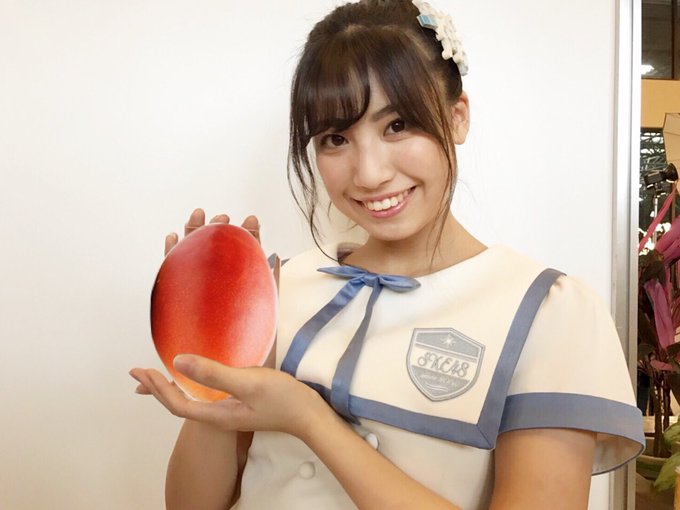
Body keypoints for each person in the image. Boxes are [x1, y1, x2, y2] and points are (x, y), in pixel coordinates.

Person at [129, 1, 645, 508]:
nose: (369, 174)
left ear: (458, 117)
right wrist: (216, 353)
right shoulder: (278, 287)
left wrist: (310, 420)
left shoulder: (548, 311)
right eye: (335, 138)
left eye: (397, 125)